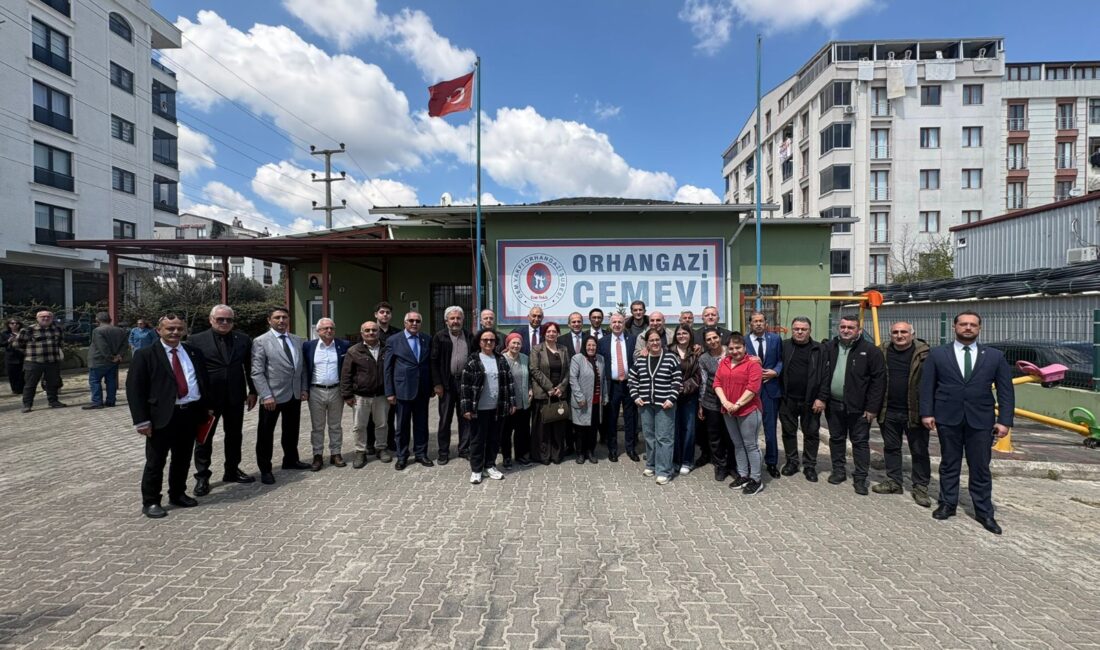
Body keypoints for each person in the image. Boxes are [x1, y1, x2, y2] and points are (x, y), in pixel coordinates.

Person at [920, 311, 1014, 535]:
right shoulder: (937, 354)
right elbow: (927, 386)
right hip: (947, 417)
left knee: (980, 466)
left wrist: (1004, 421)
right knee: (949, 463)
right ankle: (947, 504)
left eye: (973, 325)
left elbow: (1006, 391)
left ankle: (984, 511)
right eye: (963, 324)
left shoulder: (994, 356)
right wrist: (927, 413)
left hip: (981, 420)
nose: (968, 328)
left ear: (979, 328)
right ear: (955, 327)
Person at [125, 314, 211, 519]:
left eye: (179, 329)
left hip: (189, 414)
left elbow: (202, 380)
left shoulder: (193, 351)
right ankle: (151, 501)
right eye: (169, 329)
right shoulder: (145, 354)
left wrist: (206, 407)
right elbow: (134, 389)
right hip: (161, 417)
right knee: (156, 461)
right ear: (158, 330)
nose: (175, 333)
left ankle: (178, 494)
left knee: (182, 459)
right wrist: (141, 420)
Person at [186, 304, 258, 496]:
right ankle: (202, 476)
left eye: (229, 320)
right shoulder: (195, 340)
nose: (225, 323)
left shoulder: (243, 339)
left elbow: (250, 366)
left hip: (235, 396)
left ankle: (232, 469)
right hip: (208, 399)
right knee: (204, 438)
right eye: (220, 319)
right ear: (211, 320)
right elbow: (191, 372)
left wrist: (253, 391)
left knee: (234, 435)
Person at [814, 315, 886, 495]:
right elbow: (823, 375)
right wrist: (822, 398)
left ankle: (860, 478)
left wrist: (872, 408)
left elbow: (879, 381)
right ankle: (838, 471)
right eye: (843, 327)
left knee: (860, 443)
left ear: (859, 330)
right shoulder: (829, 347)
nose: (846, 330)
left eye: (850, 327)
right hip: (834, 404)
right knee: (836, 439)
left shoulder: (870, 351)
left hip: (860, 408)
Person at [874, 322, 932, 506]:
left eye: (904, 332)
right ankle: (894, 481)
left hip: (914, 411)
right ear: (890, 334)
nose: (899, 335)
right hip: (888, 409)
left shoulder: (926, 355)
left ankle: (920, 487)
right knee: (891, 447)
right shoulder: (882, 351)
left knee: (919, 450)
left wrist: (930, 410)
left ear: (912, 334)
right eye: (895, 332)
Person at [251, 306, 309, 485]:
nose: (281, 321)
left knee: (291, 431)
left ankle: (290, 460)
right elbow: (257, 372)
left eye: (284, 317)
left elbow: (302, 367)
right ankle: (265, 469)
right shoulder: (261, 341)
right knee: (266, 434)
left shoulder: (297, 340)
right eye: (277, 317)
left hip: (294, 394)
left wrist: (304, 388)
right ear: (269, 320)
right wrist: (266, 395)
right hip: (272, 398)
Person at [460, 328, 516, 484]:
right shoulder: (473, 360)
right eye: (485, 340)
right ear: (479, 342)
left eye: (491, 340)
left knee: (494, 439)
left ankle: (490, 465)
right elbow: (465, 386)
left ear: (496, 342)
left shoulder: (501, 359)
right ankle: (477, 469)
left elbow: (509, 382)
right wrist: (466, 408)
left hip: (497, 408)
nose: (489, 342)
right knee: (477, 440)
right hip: (478, 408)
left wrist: (512, 402)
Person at [714, 333, 766, 495]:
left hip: (748, 410)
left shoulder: (753, 364)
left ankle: (756, 479)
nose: (735, 351)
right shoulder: (724, 362)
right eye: (731, 348)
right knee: (737, 444)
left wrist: (737, 404)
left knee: (751, 445)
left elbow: (753, 388)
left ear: (744, 347)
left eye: (738, 347)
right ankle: (743, 475)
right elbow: (717, 383)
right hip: (728, 410)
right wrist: (725, 403)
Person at [629, 329, 682, 484]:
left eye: (657, 339)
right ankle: (651, 465)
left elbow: (677, 380)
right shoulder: (641, 360)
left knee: (664, 438)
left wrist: (671, 398)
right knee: (650, 437)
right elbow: (632, 379)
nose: (655, 343)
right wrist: (636, 396)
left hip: (665, 405)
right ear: (647, 343)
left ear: (661, 341)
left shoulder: (671, 358)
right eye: (651, 340)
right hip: (645, 405)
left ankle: (664, 470)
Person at [385, 311, 434, 470]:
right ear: (405, 322)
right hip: (402, 389)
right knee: (402, 425)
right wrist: (390, 392)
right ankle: (402, 456)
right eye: (411, 321)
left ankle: (421, 453)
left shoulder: (427, 338)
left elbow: (430, 364)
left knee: (421, 424)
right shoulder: (393, 340)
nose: (414, 323)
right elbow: (388, 368)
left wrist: (432, 386)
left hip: (422, 389)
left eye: (417, 321)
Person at [777, 317, 824, 482]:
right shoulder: (784, 346)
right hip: (787, 398)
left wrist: (821, 398)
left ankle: (810, 466)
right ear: (792, 329)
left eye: (803, 329)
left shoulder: (819, 349)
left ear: (809, 331)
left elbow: (826, 376)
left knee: (811, 433)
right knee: (788, 432)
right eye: (796, 328)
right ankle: (792, 462)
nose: (799, 332)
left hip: (811, 400)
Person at [341, 321, 392, 468]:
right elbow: (346, 374)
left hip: (381, 395)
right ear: (362, 333)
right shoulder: (354, 350)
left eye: (374, 330)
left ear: (378, 332)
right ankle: (360, 451)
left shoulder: (386, 348)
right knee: (359, 426)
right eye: (367, 330)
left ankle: (381, 448)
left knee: (382, 424)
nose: (371, 333)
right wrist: (347, 395)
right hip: (360, 396)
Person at [302, 318, 350, 471]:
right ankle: (317, 455)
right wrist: (304, 389)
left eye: (331, 328)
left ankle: (336, 453)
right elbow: (303, 369)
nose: (329, 331)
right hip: (316, 391)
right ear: (318, 331)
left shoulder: (343, 345)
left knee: (335, 425)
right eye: (325, 328)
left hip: (336, 391)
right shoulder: (309, 346)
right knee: (317, 426)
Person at [431, 306, 476, 464]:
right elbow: (434, 362)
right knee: (445, 419)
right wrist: (437, 384)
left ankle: (464, 449)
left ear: (463, 320)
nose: (455, 321)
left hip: (465, 384)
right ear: (446, 321)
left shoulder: (470, 337)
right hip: (447, 383)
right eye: (452, 318)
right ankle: (443, 451)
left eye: (458, 318)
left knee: (465, 417)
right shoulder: (439, 337)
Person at [745, 312, 783, 479]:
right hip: (750, 391)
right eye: (755, 321)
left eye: (761, 321)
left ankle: (772, 462)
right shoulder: (744, 342)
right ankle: (749, 462)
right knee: (749, 430)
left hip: (770, 390)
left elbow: (781, 360)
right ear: (750, 324)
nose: (758, 324)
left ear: (766, 323)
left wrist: (775, 371)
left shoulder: (775, 339)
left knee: (770, 429)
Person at [530, 321, 571, 464]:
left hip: (559, 393)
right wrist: (549, 388)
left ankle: (556, 455)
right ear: (544, 333)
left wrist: (561, 387)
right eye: (548, 331)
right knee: (542, 427)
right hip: (543, 392)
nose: (551, 334)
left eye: (554, 331)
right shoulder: (537, 349)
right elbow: (534, 370)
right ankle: (543, 456)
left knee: (558, 427)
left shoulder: (563, 349)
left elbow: (568, 371)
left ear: (558, 333)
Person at [598, 313, 637, 462]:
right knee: (611, 418)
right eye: (614, 322)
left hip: (629, 384)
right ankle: (612, 449)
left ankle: (631, 448)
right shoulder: (603, 342)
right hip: (612, 385)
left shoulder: (632, 340)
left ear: (624, 323)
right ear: (610, 324)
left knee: (630, 418)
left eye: (620, 322)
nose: (617, 325)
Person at [697, 328, 732, 481]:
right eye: (709, 339)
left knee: (730, 435)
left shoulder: (731, 353)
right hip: (711, 402)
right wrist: (700, 404)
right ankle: (720, 465)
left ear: (720, 337)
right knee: (715, 436)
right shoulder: (704, 358)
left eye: (715, 338)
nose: (713, 341)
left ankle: (733, 465)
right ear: (705, 342)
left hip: (731, 402)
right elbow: (703, 383)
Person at [14, 310, 66, 412]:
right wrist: (29, 352)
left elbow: (60, 343)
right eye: (43, 317)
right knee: (30, 384)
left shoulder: (57, 329)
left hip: (52, 361)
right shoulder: (28, 330)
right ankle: (27, 405)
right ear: (37, 318)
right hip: (34, 362)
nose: (46, 318)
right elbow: (17, 344)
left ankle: (53, 401)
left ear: (52, 318)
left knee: (53, 383)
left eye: (48, 317)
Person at [366, 301, 399, 454]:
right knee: (372, 415)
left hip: (392, 379)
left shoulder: (397, 334)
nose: (385, 314)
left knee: (390, 413)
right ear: (376, 315)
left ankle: (390, 441)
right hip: (374, 379)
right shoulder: (369, 331)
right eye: (382, 312)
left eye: (387, 312)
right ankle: (370, 443)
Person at [669, 324, 703, 475]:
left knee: (689, 428)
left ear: (690, 335)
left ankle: (687, 461)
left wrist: (685, 387)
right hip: (671, 396)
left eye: (685, 333)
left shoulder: (696, 353)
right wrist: (675, 387)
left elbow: (698, 376)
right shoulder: (668, 351)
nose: (681, 336)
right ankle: (675, 460)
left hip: (690, 396)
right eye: (679, 333)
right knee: (673, 428)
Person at [570, 336, 608, 464]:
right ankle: (580, 453)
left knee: (593, 429)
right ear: (584, 346)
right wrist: (580, 397)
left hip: (596, 401)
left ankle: (591, 452)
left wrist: (605, 395)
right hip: (582, 402)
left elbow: (603, 380)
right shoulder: (577, 359)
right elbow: (573, 379)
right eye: (589, 345)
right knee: (580, 430)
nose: (591, 348)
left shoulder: (601, 359)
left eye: (594, 345)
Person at [82, 312, 127, 410]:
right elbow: (125, 345)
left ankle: (97, 402)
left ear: (97, 320)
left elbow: (102, 346)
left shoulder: (97, 331)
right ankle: (111, 401)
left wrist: (110, 357)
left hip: (99, 360)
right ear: (110, 320)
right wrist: (119, 355)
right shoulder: (120, 330)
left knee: (95, 381)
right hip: (114, 361)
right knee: (111, 381)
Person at [500, 332, 532, 467]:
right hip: (508, 402)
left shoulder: (525, 358)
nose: (516, 345)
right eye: (513, 342)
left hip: (524, 401)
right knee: (506, 431)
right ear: (508, 344)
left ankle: (520, 455)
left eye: (519, 343)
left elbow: (529, 376)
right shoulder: (502, 359)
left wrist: (530, 389)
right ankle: (506, 457)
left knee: (522, 431)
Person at [2, 319, 25, 395]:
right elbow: (1, 343)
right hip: (11, 356)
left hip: (22, 355)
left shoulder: (23, 333)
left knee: (22, 373)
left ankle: (22, 389)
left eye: (17, 323)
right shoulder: (4, 333)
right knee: (12, 374)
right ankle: (15, 390)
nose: (15, 325)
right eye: (12, 323)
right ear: (9, 325)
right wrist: (8, 341)